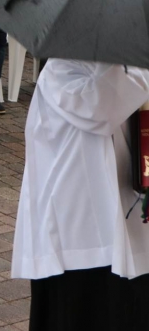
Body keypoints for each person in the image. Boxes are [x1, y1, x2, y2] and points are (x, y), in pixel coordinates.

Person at [12, 60, 149, 330]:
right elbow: (106, 105)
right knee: (82, 305)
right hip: (75, 218)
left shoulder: (119, 61)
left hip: (114, 207)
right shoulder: (62, 68)